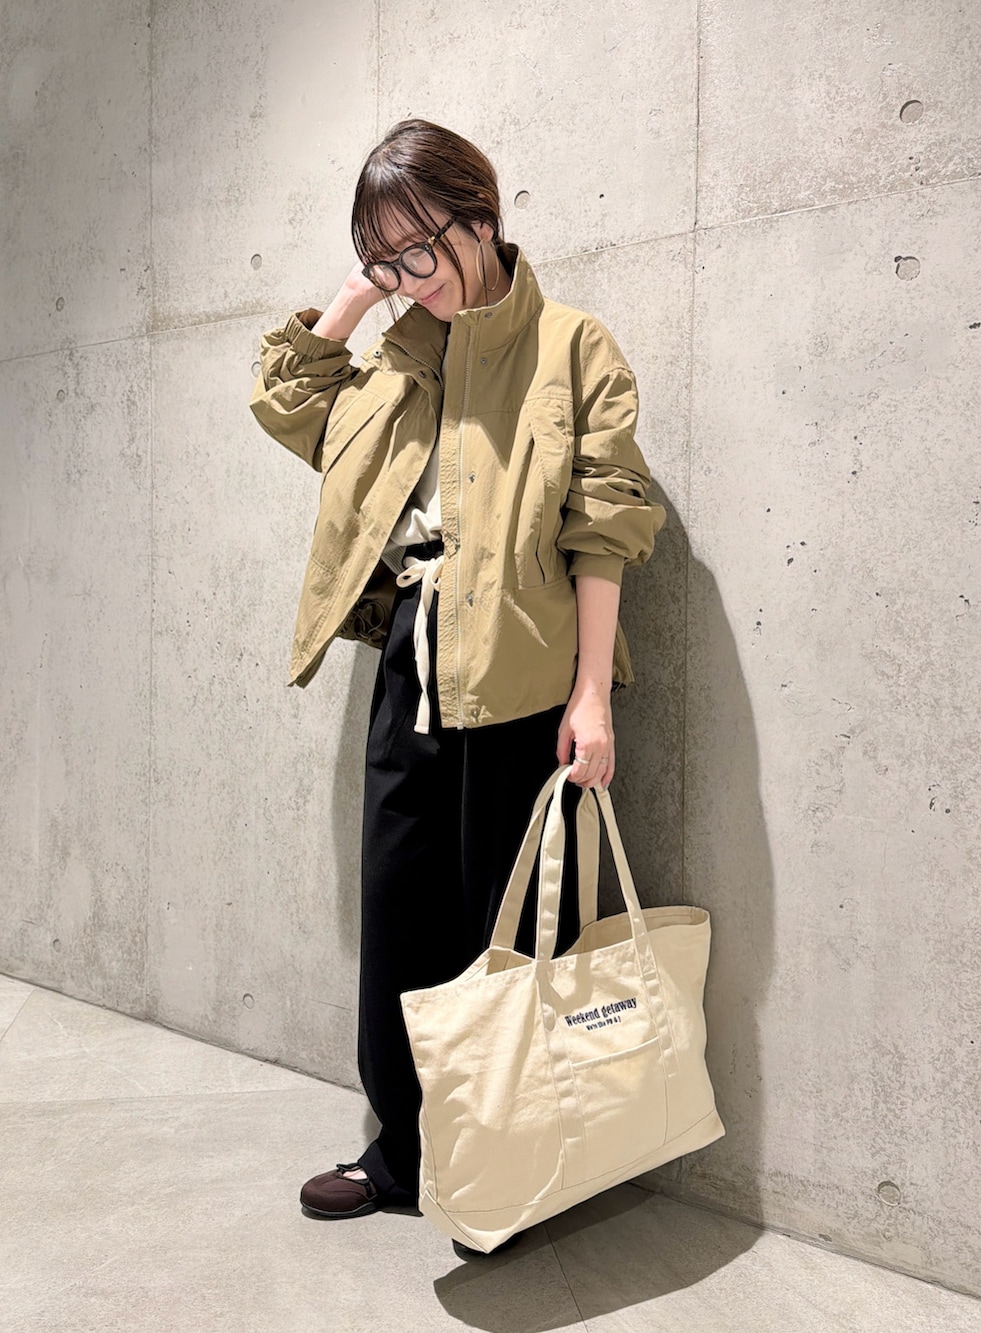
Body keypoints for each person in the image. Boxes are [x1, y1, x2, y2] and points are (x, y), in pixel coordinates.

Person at [248, 119, 665, 1256]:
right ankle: (402, 1152)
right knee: (401, 916)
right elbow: (287, 402)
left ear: (480, 217)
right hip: (410, 659)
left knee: (512, 935)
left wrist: (592, 695)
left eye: (419, 250)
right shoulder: (398, 358)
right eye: (383, 258)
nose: (407, 277)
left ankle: (510, 1170)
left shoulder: (572, 346)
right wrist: (361, 290)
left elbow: (605, 525)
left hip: (525, 669)